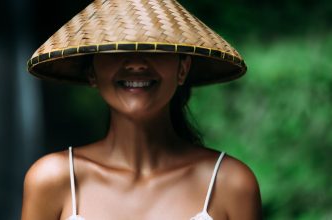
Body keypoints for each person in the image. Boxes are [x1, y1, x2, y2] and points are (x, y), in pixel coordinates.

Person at [21, 0, 262, 219]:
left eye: (155, 48)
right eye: (117, 49)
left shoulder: (230, 184)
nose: (136, 64)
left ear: (182, 69)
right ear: (91, 72)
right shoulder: (53, 179)